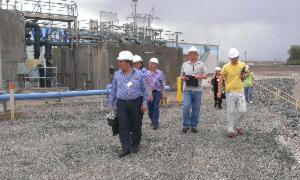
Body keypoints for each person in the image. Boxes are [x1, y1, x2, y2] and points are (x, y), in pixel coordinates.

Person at [108, 50, 148, 158]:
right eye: (119, 62)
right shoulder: (117, 75)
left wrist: (144, 103)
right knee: (123, 126)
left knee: (136, 124)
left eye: (121, 62)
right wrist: (111, 103)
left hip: (136, 103)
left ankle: (135, 144)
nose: (119, 64)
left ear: (128, 63)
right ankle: (126, 148)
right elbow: (113, 90)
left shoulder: (139, 74)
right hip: (121, 104)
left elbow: (145, 90)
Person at [217, 48, 249, 138]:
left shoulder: (243, 64)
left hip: (240, 91)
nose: (234, 59)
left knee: (243, 111)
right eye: (232, 58)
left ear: (238, 57)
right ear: (229, 58)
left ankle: (238, 126)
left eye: (235, 58)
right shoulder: (226, 67)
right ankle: (230, 130)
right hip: (230, 92)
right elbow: (220, 80)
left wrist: (244, 75)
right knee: (231, 112)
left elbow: (248, 73)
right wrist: (219, 91)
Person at [180, 46, 208, 133]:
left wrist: (198, 76)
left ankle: (194, 126)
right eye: (191, 54)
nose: (192, 55)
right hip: (187, 90)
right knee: (186, 107)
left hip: (198, 90)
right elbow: (181, 75)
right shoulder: (184, 64)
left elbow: (206, 75)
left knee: (196, 109)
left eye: (194, 54)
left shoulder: (202, 64)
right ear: (188, 55)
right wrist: (184, 78)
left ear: (197, 55)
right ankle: (185, 125)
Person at [146, 57, 166, 130]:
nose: (150, 65)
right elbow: (145, 84)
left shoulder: (160, 73)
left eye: (152, 63)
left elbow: (163, 83)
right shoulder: (146, 73)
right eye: (149, 63)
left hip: (157, 92)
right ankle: (152, 120)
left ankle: (155, 123)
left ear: (156, 65)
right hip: (148, 92)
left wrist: (163, 93)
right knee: (150, 108)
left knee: (156, 107)